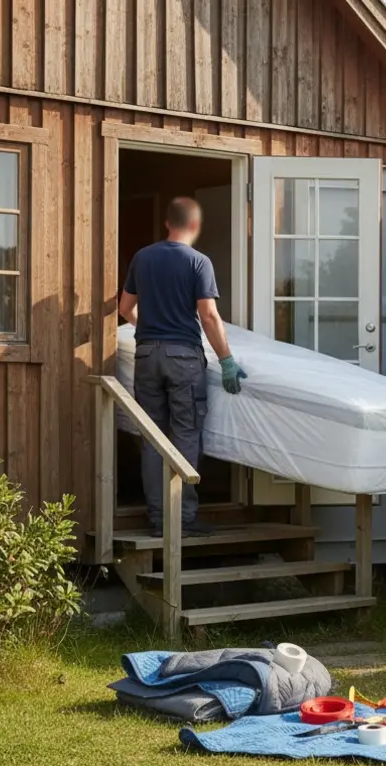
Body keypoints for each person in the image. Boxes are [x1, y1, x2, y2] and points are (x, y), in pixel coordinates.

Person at [118, 197, 249, 538]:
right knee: (186, 434)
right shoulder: (198, 262)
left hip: (145, 356)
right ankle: (183, 520)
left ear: (167, 224)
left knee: (152, 438)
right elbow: (208, 315)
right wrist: (227, 360)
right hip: (184, 359)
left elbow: (125, 307)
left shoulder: (143, 257)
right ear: (194, 225)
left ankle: (159, 521)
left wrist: (146, 330)